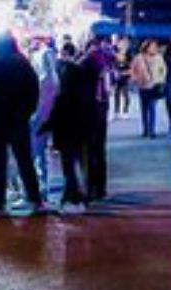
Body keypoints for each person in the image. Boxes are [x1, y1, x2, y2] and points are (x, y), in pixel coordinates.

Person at [0, 33, 45, 216]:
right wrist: (26, 113)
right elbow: (33, 91)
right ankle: (35, 200)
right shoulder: (22, 64)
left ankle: (0, 204)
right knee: (24, 160)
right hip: (17, 120)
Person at [40, 42, 90, 209]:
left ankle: (72, 195)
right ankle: (75, 193)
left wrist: (44, 127)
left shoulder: (63, 97)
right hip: (80, 132)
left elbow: (55, 116)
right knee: (77, 163)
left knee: (68, 165)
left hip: (66, 134)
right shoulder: (83, 97)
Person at [80, 38, 114, 201]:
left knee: (89, 150)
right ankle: (100, 188)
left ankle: (91, 188)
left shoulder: (86, 61)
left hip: (88, 110)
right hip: (101, 108)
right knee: (99, 150)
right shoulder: (106, 60)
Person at [30, 39, 60, 202]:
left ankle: (40, 186)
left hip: (41, 120)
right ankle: (42, 185)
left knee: (37, 153)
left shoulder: (46, 81)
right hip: (46, 120)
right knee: (41, 155)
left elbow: (43, 104)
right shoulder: (54, 79)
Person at [131, 40, 167, 138]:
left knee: (152, 108)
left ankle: (152, 130)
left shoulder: (159, 58)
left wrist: (160, 81)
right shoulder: (138, 58)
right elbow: (133, 70)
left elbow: (163, 70)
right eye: (152, 46)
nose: (154, 48)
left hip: (154, 86)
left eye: (155, 46)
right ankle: (145, 129)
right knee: (144, 108)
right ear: (146, 47)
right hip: (142, 86)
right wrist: (135, 80)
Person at [112, 36, 133, 119]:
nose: (123, 44)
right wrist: (115, 72)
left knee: (126, 94)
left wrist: (127, 73)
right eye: (121, 43)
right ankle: (116, 112)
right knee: (116, 94)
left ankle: (125, 111)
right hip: (117, 76)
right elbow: (112, 64)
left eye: (125, 43)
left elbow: (132, 66)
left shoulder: (129, 54)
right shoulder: (115, 53)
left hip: (126, 76)